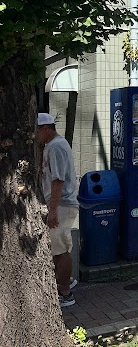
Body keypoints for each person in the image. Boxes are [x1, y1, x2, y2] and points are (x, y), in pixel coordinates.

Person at [37, 113, 79, 308]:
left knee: (60, 249)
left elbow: (58, 180)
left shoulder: (56, 147)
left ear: (46, 129)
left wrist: (52, 209)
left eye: (37, 131)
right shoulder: (51, 146)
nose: (36, 135)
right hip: (60, 204)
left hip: (62, 204)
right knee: (58, 248)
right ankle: (64, 283)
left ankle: (65, 291)